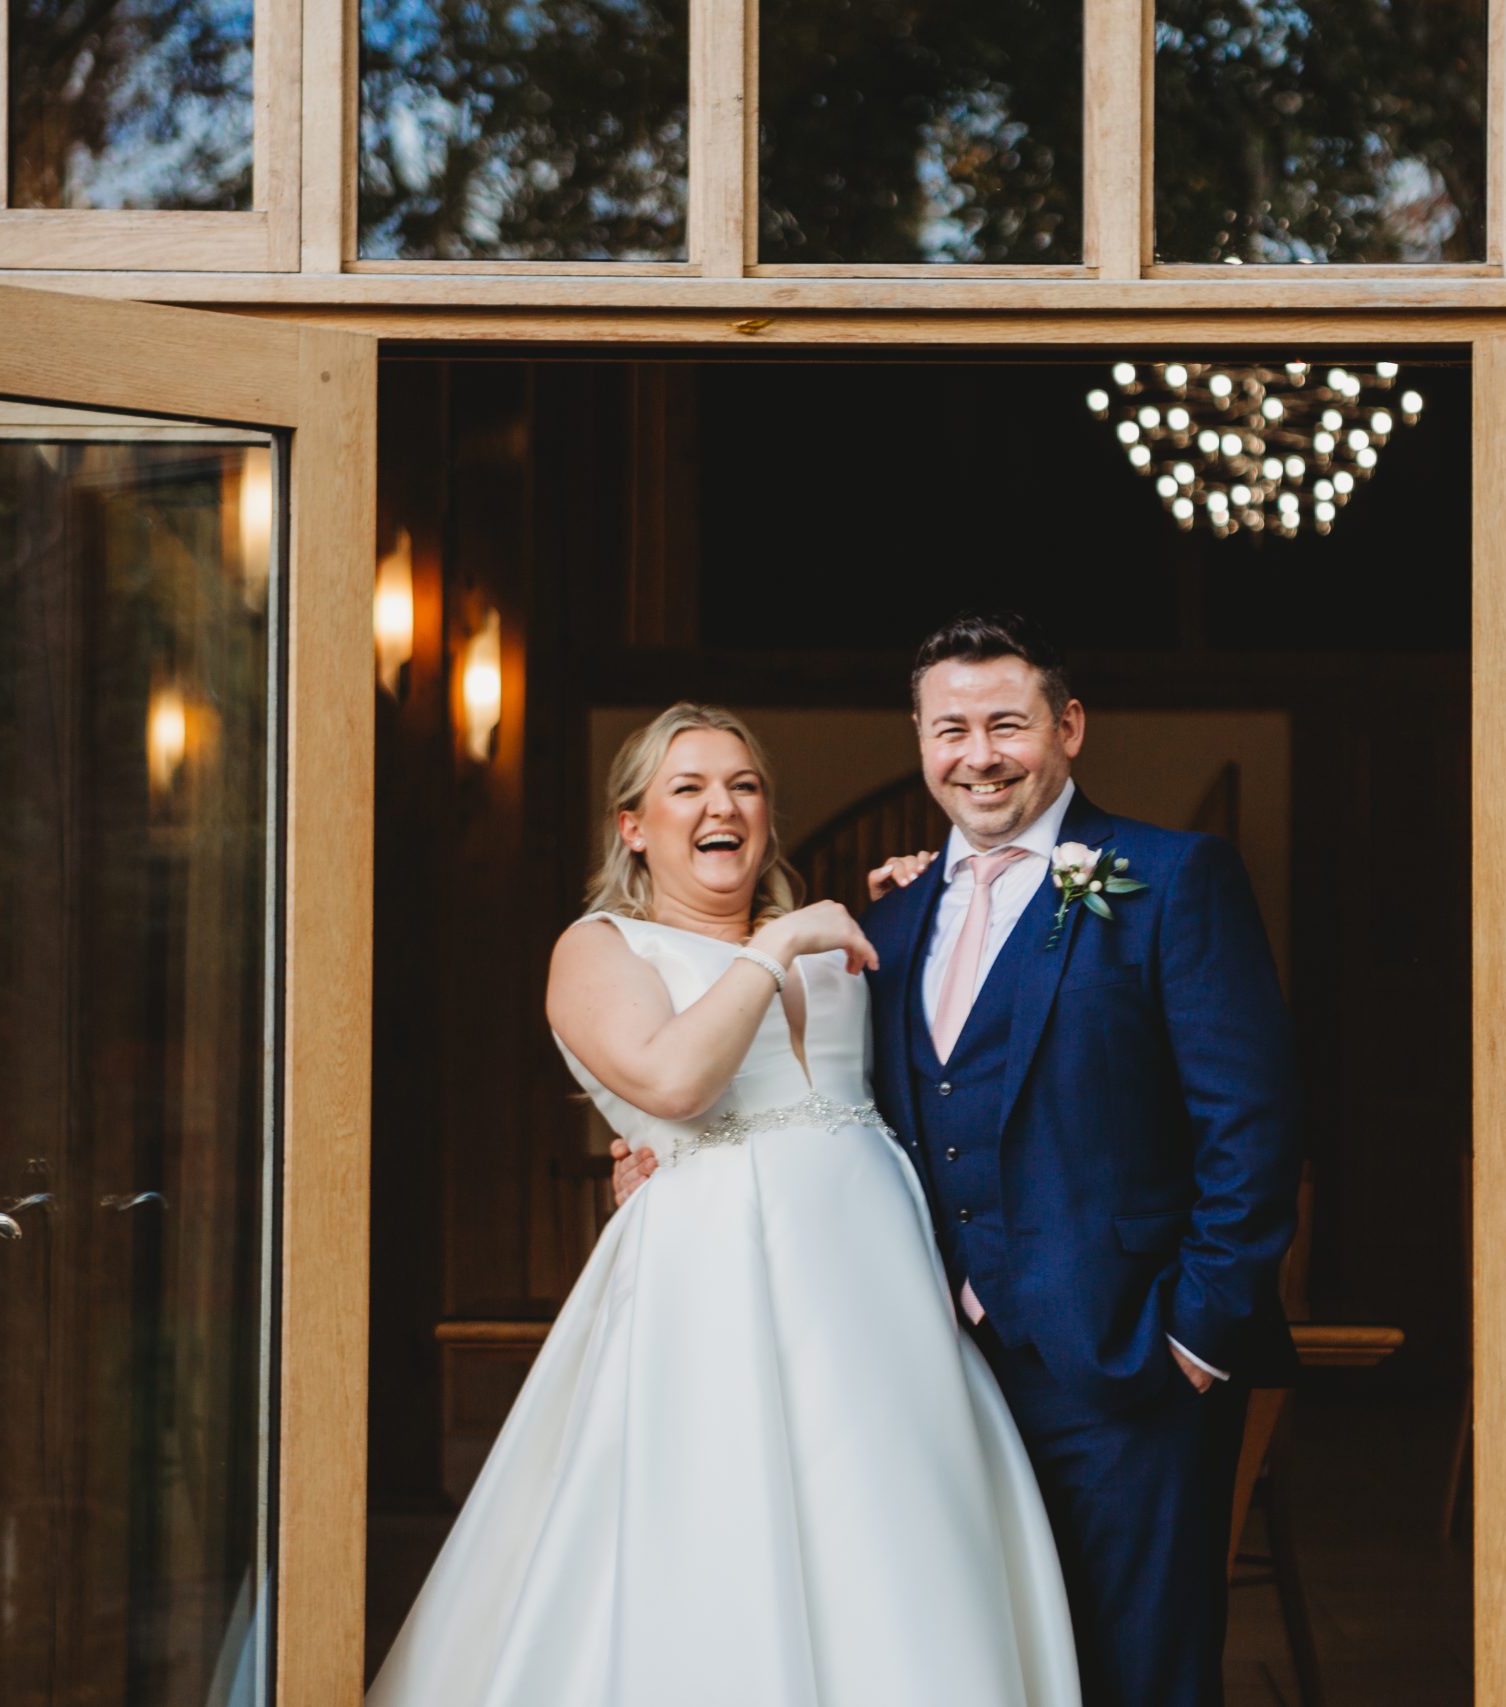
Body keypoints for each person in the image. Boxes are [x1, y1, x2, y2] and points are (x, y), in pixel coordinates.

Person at [616, 614, 1303, 1707]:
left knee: (1142, 1677)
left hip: (1130, 1365)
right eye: (950, 729)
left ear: (1068, 728)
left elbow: (1252, 1121)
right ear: (920, 741)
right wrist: (672, 1159)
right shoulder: (885, 927)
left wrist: (1194, 1337)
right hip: (936, 1376)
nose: (978, 755)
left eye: (1006, 725)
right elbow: (832, 1109)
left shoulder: (1173, 878)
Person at [368, 702, 1081, 1707]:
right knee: (723, 1520)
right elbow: (672, 1081)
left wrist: (932, 911)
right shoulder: (601, 947)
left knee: (892, 1529)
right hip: (715, 1282)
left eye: (745, 786)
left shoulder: (838, 942)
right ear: (632, 825)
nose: (724, 806)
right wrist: (776, 944)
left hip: (878, 1287)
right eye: (689, 787)